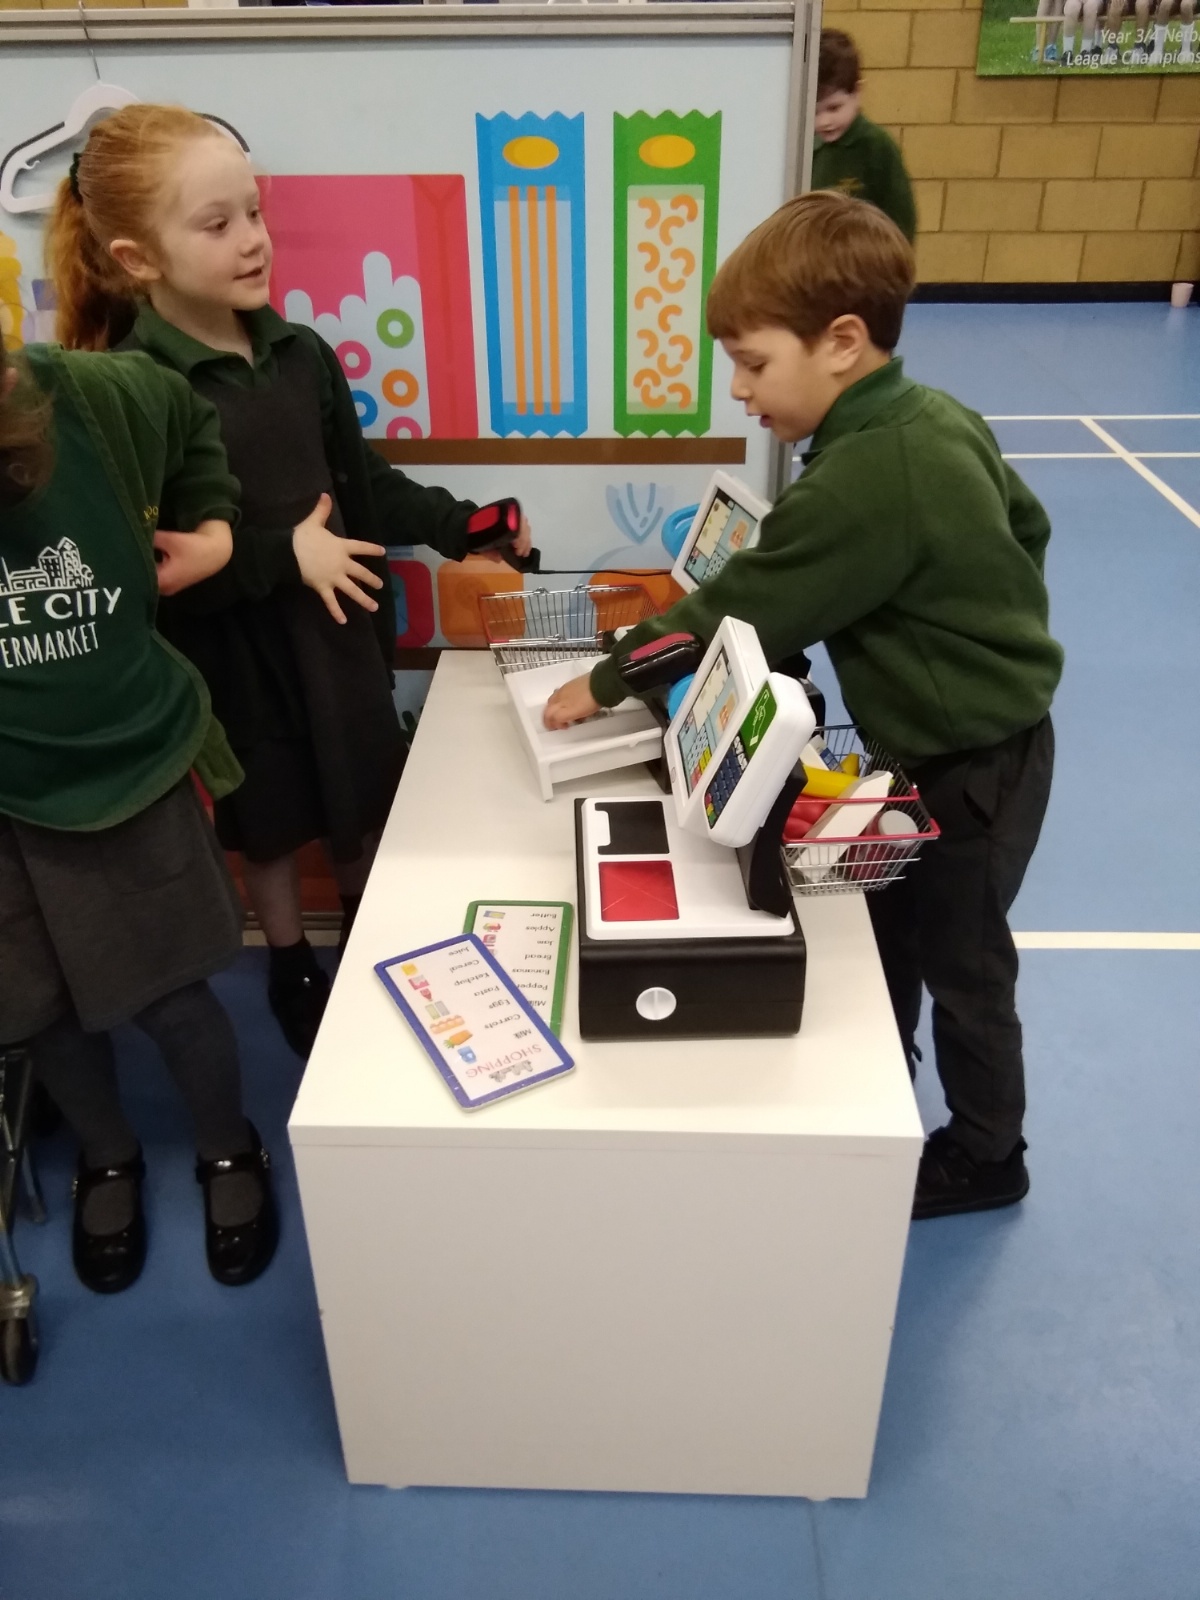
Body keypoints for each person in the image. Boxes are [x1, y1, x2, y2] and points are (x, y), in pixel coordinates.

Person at [544, 192, 1063, 1221]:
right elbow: (1029, 528)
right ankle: (884, 1085)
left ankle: (987, 1153)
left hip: (974, 761)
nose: (739, 389)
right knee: (890, 926)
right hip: (955, 741)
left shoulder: (867, 473)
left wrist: (602, 681)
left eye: (753, 363)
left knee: (965, 964)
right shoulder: (932, 417)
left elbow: (740, 607)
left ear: (842, 342)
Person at [47, 104, 533, 1058]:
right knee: (267, 819)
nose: (252, 241)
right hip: (235, 651)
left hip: (334, 634)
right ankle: (288, 961)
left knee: (356, 795)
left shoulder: (300, 354)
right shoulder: (133, 387)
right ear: (138, 258)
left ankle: (365, 928)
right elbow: (154, 565)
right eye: (216, 223)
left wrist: (456, 525)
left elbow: (361, 484)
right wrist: (283, 555)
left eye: (255, 213)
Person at [0, 337, 278, 1294]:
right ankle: (107, 1153)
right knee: (38, 1009)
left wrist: (216, 528)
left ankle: (226, 1143)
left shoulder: (95, 396)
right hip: (7, 795)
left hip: (126, 763)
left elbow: (189, 415)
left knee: (170, 992)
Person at [810, 31, 916, 245]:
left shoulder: (877, 146)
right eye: (813, 112)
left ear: (857, 93)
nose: (823, 121)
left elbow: (901, 221)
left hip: (862, 259)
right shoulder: (804, 143)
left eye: (834, 108)